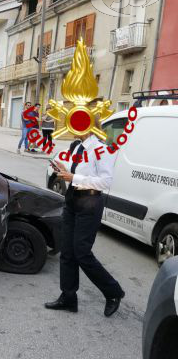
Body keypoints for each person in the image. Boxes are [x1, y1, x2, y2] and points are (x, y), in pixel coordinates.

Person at [46, 130, 125, 317]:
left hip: (90, 202)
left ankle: (113, 292)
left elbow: (105, 182)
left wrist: (74, 178)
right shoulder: (76, 147)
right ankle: (68, 297)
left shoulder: (101, 149)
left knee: (82, 252)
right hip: (72, 198)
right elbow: (75, 172)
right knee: (67, 252)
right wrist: (63, 171)